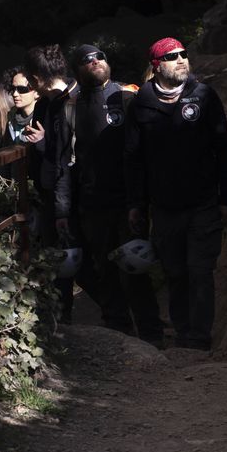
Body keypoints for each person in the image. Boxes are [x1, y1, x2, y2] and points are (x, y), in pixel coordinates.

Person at [124, 37, 227, 350]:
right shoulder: (141, 103)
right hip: (163, 206)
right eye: (172, 57)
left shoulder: (204, 96)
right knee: (175, 271)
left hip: (203, 202)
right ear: (157, 66)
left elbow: (223, 149)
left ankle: (199, 337)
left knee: (200, 269)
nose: (182, 60)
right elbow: (133, 159)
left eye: (184, 54)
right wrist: (136, 204)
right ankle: (183, 329)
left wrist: (226, 197)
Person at [69, 44, 163, 343]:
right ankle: (118, 333)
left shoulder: (127, 97)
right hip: (92, 201)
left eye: (100, 57)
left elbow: (146, 151)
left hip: (128, 200)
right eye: (87, 59)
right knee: (103, 269)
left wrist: (143, 199)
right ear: (77, 70)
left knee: (134, 267)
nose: (95, 62)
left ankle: (151, 334)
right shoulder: (71, 105)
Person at [24, 43, 79, 322]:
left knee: (75, 259)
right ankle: (62, 318)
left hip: (72, 194)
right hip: (50, 193)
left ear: (35, 78)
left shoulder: (72, 102)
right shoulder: (46, 103)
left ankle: (115, 315)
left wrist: (62, 209)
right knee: (59, 261)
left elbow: (64, 159)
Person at [1, 67, 45, 147]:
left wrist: (42, 141)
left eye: (21, 89)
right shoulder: (11, 118)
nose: (15, 94)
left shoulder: (46, 118)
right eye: (13, 89)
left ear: (37, 92)